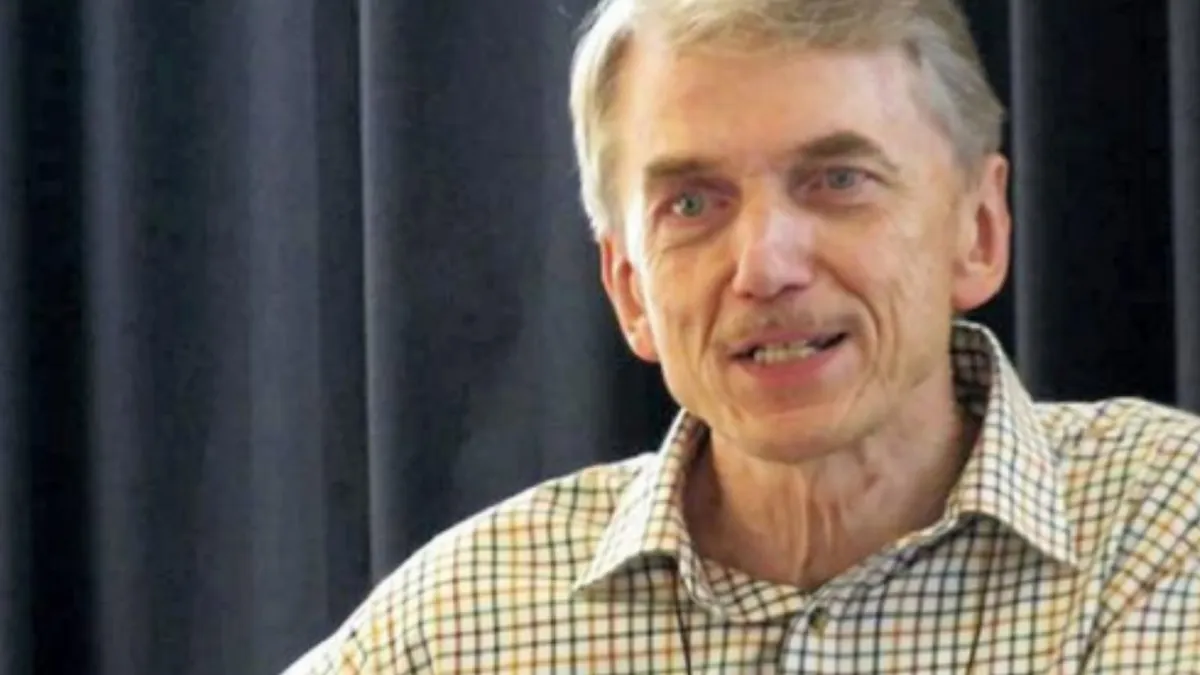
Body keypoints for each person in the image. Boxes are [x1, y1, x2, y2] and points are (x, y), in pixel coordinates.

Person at [282, 0, 1200, 672]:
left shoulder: (1171, 534)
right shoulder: (461, 624)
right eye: (692, 204)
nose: (764, 265)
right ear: (630, 288)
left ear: (979, 229)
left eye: (837, 180)